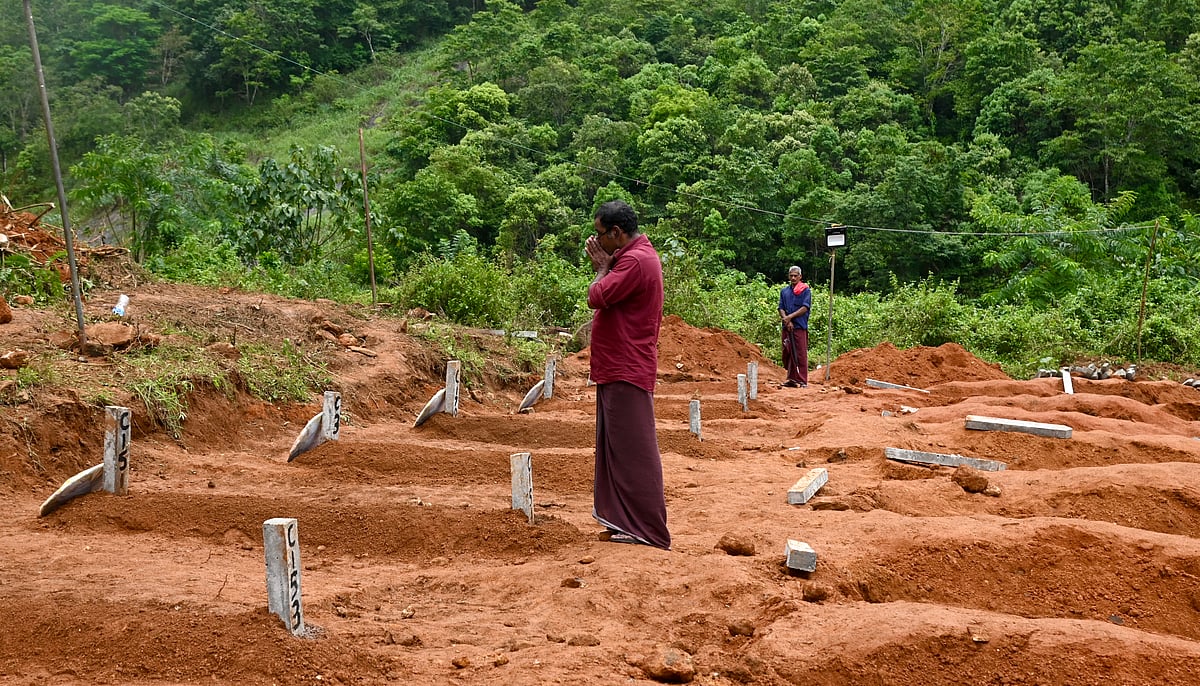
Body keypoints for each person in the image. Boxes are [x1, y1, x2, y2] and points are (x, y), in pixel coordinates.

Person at [583, 199, 670, 549]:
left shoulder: (634, 261)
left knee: (634, 449)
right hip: (618, 365)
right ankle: (625, 521)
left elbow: (597, 295)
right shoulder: (634, 256)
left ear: (617, 233)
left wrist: (602, 269)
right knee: (617, 447)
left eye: (600, 234)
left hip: (626, 366)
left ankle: (646, 528)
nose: (596, 241)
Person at [779, 265, 811, 388]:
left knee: (800, 353)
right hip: (787, 327)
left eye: (795, 276)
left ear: (800, 277)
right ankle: (791, 378)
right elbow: (781, 307)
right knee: (787, 352)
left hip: (799, 327)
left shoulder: (805, 291)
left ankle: (802, 380)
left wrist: (790, 317)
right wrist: (787, 320)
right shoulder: (784, 291)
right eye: (791, 275)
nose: (793, 278)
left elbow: (805, 307)